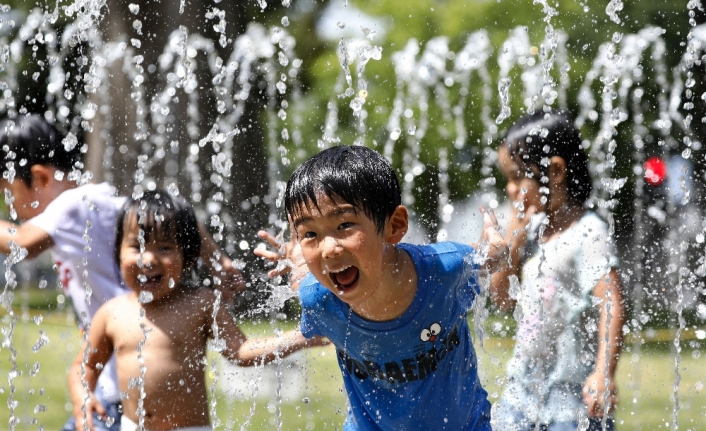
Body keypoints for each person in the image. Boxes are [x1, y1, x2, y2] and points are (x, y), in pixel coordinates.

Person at [0, 114, 244, 431]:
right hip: (119, 373)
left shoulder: (71, 205)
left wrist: (217, 261)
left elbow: (21, 243)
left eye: (9, 192)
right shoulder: (98, 199)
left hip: (120, 379)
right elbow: (171, 219)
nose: (11, 208)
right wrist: (218, 260)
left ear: (41, 178)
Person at [255, 145, 508, 431]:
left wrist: (496, 247)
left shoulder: (442, 271)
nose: (328, 249)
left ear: (395, 225)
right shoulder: (319, 298)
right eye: (310, 233)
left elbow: (487, 258)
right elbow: (305, 280)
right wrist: (299, 260)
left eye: (345, 225)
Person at [68, 191, 321, 431]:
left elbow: (240, 351)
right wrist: (83, 400)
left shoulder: (200, 303)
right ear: (118, 252)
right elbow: (85, 366)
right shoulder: (112, 312)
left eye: (165, 248)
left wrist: (301, 336)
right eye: (137, 246)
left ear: (187, 258)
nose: (148, 259)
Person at [489, 110, 624, 431]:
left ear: (556, 170)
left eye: (517, 176)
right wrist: (514, 238)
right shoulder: (532, 233)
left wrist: (603, 373)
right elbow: (502, 299)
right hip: (521, 389)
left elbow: (612, 304)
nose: (510, 190)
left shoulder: (588, 232)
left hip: (572, 397)